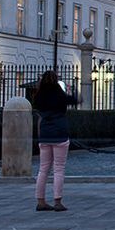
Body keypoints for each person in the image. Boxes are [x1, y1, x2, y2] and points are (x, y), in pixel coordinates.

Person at [33, 70, 77, 212]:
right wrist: (72, 90)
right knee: (59, 168)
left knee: (43, 169)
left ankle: (40, 201)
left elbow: (39, 112)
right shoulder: (59, 95)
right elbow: (76, 100)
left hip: (45, 133)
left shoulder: (39, 96)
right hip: (60, 133)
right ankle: (57, 201)